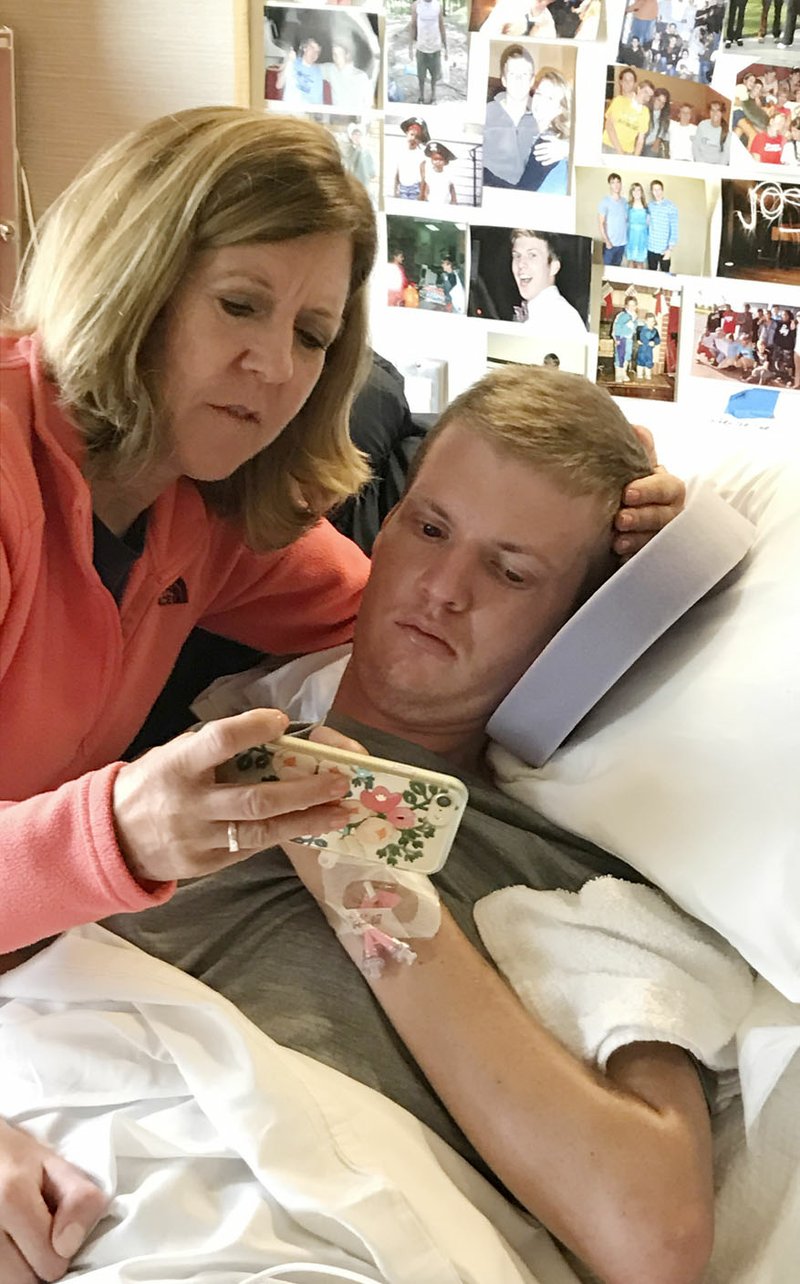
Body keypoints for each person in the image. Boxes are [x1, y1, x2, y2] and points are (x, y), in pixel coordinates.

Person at [0, 367, 687, 1283]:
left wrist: (357, 864)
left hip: (272, 1234)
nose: (443, 586)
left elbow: (651, 1237)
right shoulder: (193, 730)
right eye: (430, 527)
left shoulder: (572, 874)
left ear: (578, 625)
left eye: (511, 569)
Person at [0, 104, 384, 960]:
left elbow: (409, 624)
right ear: (135, 276)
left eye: (311, 336)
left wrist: (604, 530)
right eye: (240, 305)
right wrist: (115, 836)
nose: (277, 368)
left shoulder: (200, 503)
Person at [483, 45, 568, 189]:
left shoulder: (544, 129)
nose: (518, 80)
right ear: (503, 80)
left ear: (531, 80)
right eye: (512, 74)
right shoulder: (485, 113)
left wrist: (568, 149)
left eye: (524, 74)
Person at [509, 229, 588, 341]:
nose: (521, 264)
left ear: (553, 267)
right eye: (517, 256)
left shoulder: (561, 320)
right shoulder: (543, 312)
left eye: (532, 255)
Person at [517, 68, 572, 195]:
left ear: (559, 108)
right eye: (539, 93)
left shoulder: (548, 142)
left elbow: (522, 191)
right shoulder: (529, 131)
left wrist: (568, 150)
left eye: (550, 98)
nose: (540, 101)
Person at [602, 69, 653, 156]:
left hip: (628, 152)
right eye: (645, 92)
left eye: (649, 95)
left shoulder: (645, 112)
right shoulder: (619, 100)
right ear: (639, 89)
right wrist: (620, 152)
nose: (647, 96)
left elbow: (640, 140)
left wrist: (634, 158)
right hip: (609, 147)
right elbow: (609, 126)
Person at [410, 0, 447, 106]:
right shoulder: (416, 5)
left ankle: (433, 97)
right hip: (421, 48)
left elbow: (441, 26)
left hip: (435, 48)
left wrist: (446, 47)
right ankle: (421, 96)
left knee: (434, 75)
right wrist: (410, 47)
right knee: (421, 76)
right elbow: (413, 26)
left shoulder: (437, 5)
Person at [322, 38, 374, 113]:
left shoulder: (362, 77)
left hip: (355, 120)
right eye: (334, 54)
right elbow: (312, 67)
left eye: (339, 54)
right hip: (336, 119)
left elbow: (369, 105)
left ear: (347, 55)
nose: (335, 58)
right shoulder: (331, 69)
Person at [276, 38, 324, 108]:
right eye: (312, 48)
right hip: (289, 108)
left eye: (317, 52)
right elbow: (279, 85)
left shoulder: (317, 72)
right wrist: (289, 62)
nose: (314, 53)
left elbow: (318, 101)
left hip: (307, 111)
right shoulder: (292, 61)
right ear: (305, 48)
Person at [393, 116, 429, 200]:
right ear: (407, 134)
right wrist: (395, 190)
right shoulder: (400, 151)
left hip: (415, 188)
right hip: (402, 187)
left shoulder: (420, 155)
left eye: (417, 137)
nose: (413, 138)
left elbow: (423, 176)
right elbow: (398, 172)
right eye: (412, 135)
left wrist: (422, 194)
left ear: (420, 141)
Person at [646, 179, 679, 271]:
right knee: (651, 274)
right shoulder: (649, 206)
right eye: (654, 190)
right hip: (651, 248)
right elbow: (647, 225)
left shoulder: (671, 206)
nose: (657, 192)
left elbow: (674, 229)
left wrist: (669, 250)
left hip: (664, 250)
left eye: (659, 189)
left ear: (662, 190)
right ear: (651, 192)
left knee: (665, 276)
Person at [598, 172, 629, 267]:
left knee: (616, 270)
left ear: (621, 184)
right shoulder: (605, 202)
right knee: (606, 272)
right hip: (610, 245)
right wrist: (607, 241)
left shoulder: (625, 201)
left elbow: (627, 220)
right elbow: (601, 223)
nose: (616, 185)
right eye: (613, 182)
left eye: (618, 182)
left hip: (622, 244)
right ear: (610, 185)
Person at [342, 122, 375, 189]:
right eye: (354, 134)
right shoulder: (347, 151)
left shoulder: (366, 152)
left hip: (362, 185)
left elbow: (372, 173)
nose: (356, 137)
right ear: (350, 136)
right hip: (349, 184)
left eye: (359, 135)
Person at [612, 297, 638, 381]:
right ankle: (618, 375)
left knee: (627, 356)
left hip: (629, 340)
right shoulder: (622, 315)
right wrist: (617, 338)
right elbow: (617, 327)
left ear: (636, 306)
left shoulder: (635, 317)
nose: (631, 307)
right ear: (626, 306)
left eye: (633, 305)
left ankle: (623, 373)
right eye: (629, 305)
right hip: (621, 339)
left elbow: (634, 328)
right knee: (620, 356)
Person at [642, 87, 672, 158]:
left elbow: (662, 131)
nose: (660, 104)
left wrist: (657, 141)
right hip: (641, 143)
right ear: (653, 98)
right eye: (659, 100)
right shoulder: (644, 109)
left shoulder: (664, 115)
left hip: (653, 144)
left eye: (663, 103)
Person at [625, 181, 649, 269]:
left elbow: (648, 224)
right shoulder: (628, 206)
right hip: (631, 237)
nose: (636, 192)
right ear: (631, 192)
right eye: (634, 190)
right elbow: (624, 221)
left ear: (641, 192)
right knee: (631, 261)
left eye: (638, 190)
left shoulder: (646, 207)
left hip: (642, 238)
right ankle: (630, 282)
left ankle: (638, 282)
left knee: (640, 263)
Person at [635, 312, 661, 379]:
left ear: (654, 322)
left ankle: (648, 374)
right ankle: (639, 374)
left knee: (649, 361)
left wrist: (654, 342)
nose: (650, 323)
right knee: (640, 360)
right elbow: (637, 336)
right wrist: (638, 340)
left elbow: (658, 340)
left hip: (649, 349)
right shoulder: (640, 328)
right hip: (642, 348)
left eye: (652, 321)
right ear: (645, 321)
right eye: (649, 321)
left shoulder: (655, 331)